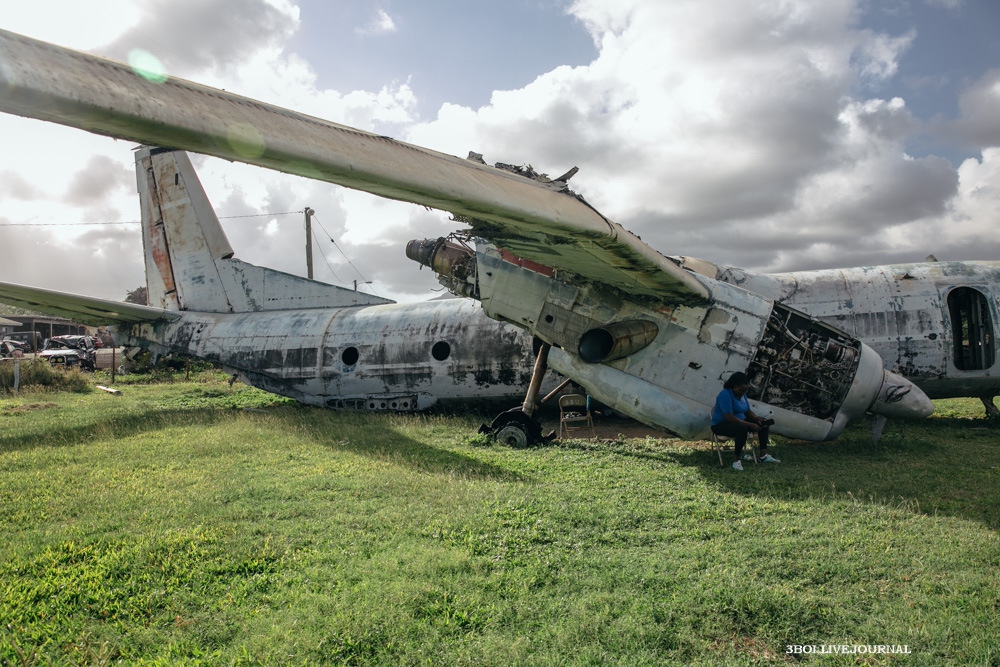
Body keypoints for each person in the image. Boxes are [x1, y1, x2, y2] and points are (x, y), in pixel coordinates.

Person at [711, 372, 780, 470]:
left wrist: (756, 419)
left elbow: (747, 410)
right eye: (741, 390)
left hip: (739, 422)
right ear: (734, 386)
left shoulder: (742, 395)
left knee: (763, 423)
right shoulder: (725, 395)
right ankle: (736, 461)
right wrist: (750, 424)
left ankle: (763, 456)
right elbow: (729, 417)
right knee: (741, 428)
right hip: (721, 425)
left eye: (744, 391)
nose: (742, 393)